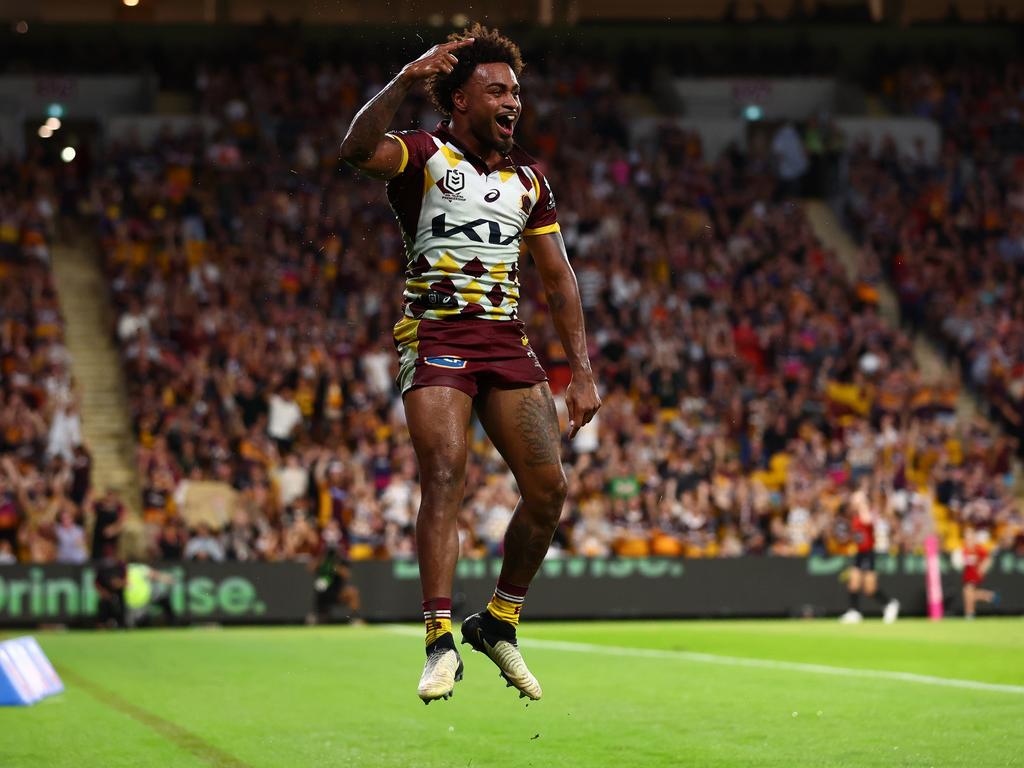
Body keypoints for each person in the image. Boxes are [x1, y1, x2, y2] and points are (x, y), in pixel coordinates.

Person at [341, 24, 601, 703]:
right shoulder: (424, 154)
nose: (512, 101)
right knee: (445, 473)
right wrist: (402, 79)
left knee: (549, 490)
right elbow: (356, 149)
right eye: (496, 90)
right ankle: (438, 642)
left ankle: (498, 621)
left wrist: (583, 370)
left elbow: (559, 278)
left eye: (516, 91)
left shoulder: (528, 181)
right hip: (436, 335)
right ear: (459, 101)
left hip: (505, 344)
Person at [839, 488, 900, 624]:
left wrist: (862, 503)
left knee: (869, 588)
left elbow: (867, 521)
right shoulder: (854, 517)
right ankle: (854, 612)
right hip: (860, 553)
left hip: (868, 553)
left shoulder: (867, 513)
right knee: (853, 582)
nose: (853, 502)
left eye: (855, 500)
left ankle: (890, 604)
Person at [958, 527, 998, 620]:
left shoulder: (978, 549)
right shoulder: (964, 549)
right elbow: (961, 562)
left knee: (967, 592)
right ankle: (990, 596)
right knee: (969, 594)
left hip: (975, 575)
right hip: (967, 575)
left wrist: (982, 568)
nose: (968, 538)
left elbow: (988, 559)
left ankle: (969, 613)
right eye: (966, 536)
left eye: (969, 536)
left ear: (973, 537)